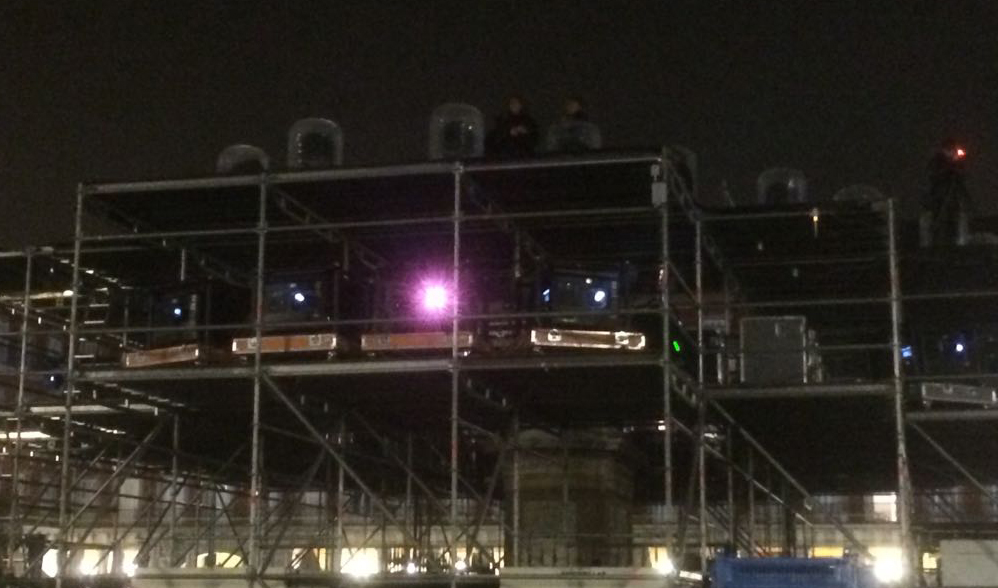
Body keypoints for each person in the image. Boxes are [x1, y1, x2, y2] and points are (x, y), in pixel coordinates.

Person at [921, 138, 971, 247]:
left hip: (951, 199)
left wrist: (957, 164)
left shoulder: (952, 163)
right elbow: (935, 177)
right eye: (952, 150)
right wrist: (952, 166)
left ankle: (954, 243)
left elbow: (961, 176)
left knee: (954, 221)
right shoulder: (938, 162)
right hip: (940, 198)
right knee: (941, 223)